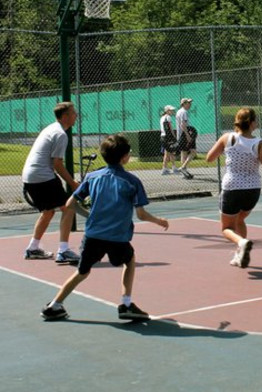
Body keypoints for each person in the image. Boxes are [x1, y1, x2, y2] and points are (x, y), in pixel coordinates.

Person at [41, 134, 170, 321]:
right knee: (130, 261)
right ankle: (126, 304)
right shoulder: (132, 181)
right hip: (117, 237)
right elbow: (141, 214)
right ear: (125, 157)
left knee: (82, 272)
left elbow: (70, 204)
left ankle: (55, 305)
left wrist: (90, 214)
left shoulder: (93, 177)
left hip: (93, 235)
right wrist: (159, 221)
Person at [206, 108, 262, 268]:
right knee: (240, 219)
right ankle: (241, 255)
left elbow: (209, 158)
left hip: (232, 187)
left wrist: (227, 151)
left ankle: (242, 242)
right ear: (252, 123)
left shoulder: (227, 138)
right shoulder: (258, 143)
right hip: (252, 190)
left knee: (227, 228)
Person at [21, 101, 81, 264]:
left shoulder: (51, 128)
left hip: (30, 176)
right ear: (65, 116)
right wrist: (72, 183)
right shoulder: (60, 134)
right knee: (69, 208)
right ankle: (64, 251)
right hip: (41, 176)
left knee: (48, 211)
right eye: (73, 112)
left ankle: (33, 248)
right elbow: (57, 164)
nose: (76, 114)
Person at [176, 98, 196, 179]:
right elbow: (183, 125)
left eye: (190, 102)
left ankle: (184, 172)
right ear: (184, 104)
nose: (190, 104)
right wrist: (188, 135)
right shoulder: (184, 112)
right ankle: (183, 167)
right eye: (188, 103)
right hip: (184, 135)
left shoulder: (179, 111)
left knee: (183, 153)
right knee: (193, 152)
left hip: (180, 135)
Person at [159, 105, 179, 175]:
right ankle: (165, 169)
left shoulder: (162, 118)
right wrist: (174, 136)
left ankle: (172, 167)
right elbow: (170, 128)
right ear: (167, 111)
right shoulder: (168, 117)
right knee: (169, 153)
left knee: (169, 152)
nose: (172, 111)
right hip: (168, 137)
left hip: (163, 137)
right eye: (171, 110)